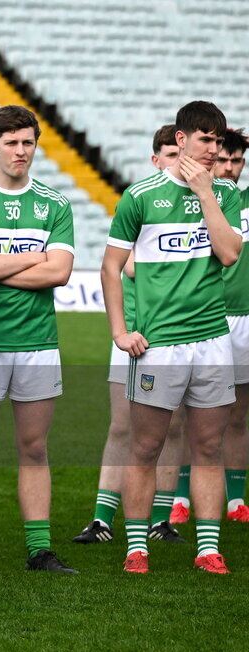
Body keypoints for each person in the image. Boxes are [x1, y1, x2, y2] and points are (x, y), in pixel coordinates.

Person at [102, 101, 241, 574]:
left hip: (212, 341)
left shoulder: (226, 195)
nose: (211, 149)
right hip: (159, 343)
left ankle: (207, 549)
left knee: (207, 447)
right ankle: (136, 548)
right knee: (146, 447)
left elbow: (227, 254)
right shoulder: (140, 196)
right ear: (180, 140)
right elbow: (110, 268)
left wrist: (206, 194)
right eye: (204, 139)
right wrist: (120, 331)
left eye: (217, 142)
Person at [0, 105, 78, 574]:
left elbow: (61, 273)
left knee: (34, 447)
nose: (20, 151)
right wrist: (32, 261)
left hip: (38, 343)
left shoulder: (56, 203)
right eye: (11, 143)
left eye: (28, 143)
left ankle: (40, 549)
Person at [74, 125, 187, 545]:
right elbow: (133, 266)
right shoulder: (141, 203)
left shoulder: (196, 207)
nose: (178, 163)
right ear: (156, 161)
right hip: (135, 333)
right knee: (122, 427)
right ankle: (102, 518)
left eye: (182, 155)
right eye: (169, 156)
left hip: (176, 334)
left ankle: (161, 518)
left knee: (173, 429)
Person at [215, 127, 249, 522]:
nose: (228, 167)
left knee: (238, 413)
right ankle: (182, 499)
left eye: (235, 161)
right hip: (210, 316)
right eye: (222, 159)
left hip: (246, 317)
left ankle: (236, 499)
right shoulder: (197, 201)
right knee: (195, 414)